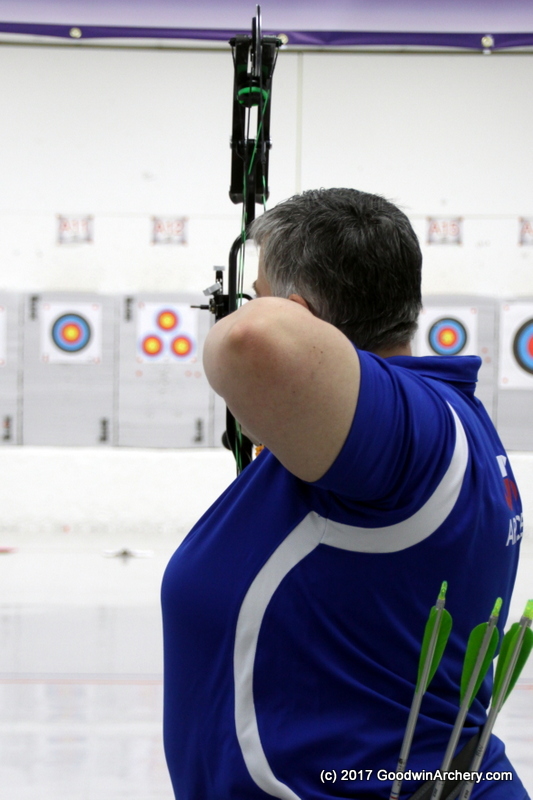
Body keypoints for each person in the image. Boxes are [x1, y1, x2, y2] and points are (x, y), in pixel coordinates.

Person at [161, 188, 527, 799]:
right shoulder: (423, 425)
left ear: (302, 313)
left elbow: (255, 343)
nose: (239, 312)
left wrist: (267, 325)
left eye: (254, 296)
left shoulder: (414, 430)